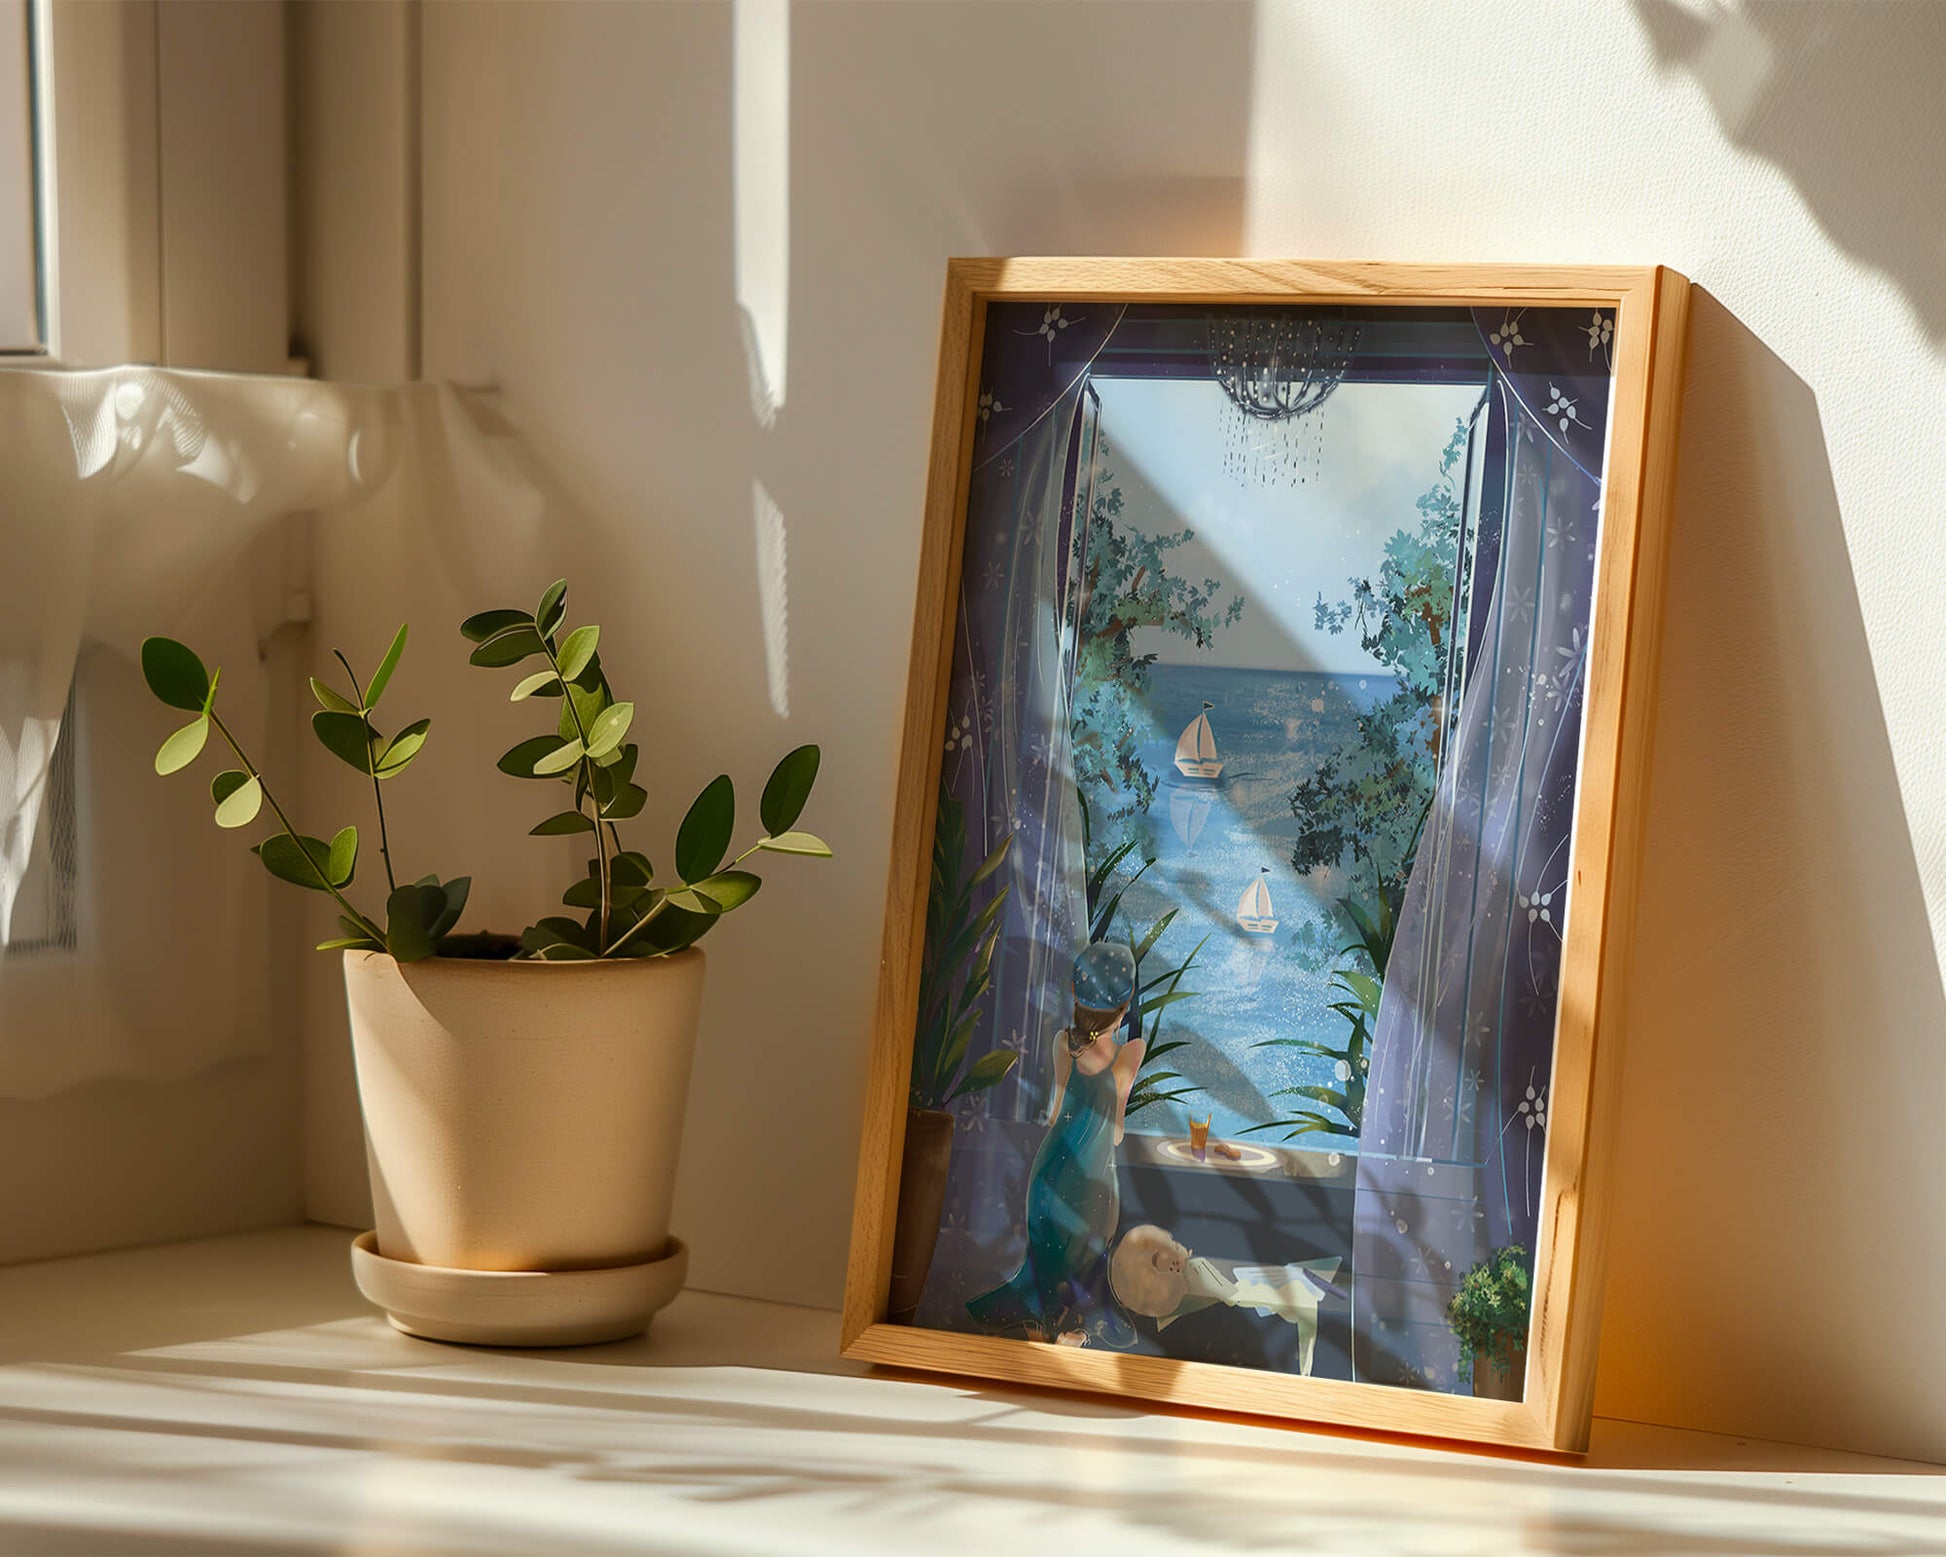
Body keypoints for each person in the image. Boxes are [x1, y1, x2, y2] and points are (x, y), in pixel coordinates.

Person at [966, 942, 1145, 1347]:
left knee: (1046, 1261)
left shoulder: (1062, 1043)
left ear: (1075, 993)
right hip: (1095, 1183)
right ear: (1127, 1002)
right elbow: (1116, 1131)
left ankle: (1046, 1323)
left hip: (1049, 1174)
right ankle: (1070, 1326)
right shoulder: (1131, 1054)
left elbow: (1053, 1114)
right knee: (1086, 1253)